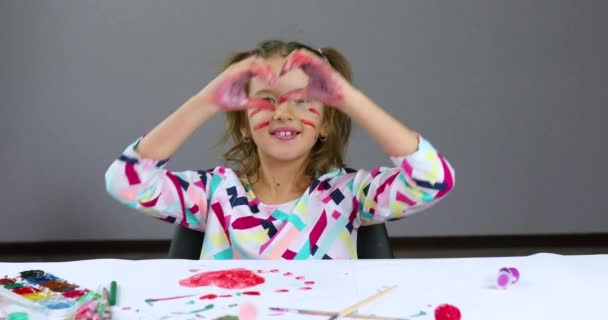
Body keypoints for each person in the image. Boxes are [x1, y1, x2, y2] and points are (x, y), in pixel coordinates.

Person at [104, 40, 455, 260]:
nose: (283, 112)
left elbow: (433, 180)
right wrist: (204, 103)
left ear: (325, 123)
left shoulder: (350, 195)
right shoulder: (213, 195)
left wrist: (350, 99)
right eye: (266, 100)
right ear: (243, 123)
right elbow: (124, 183)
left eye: (303, 102)